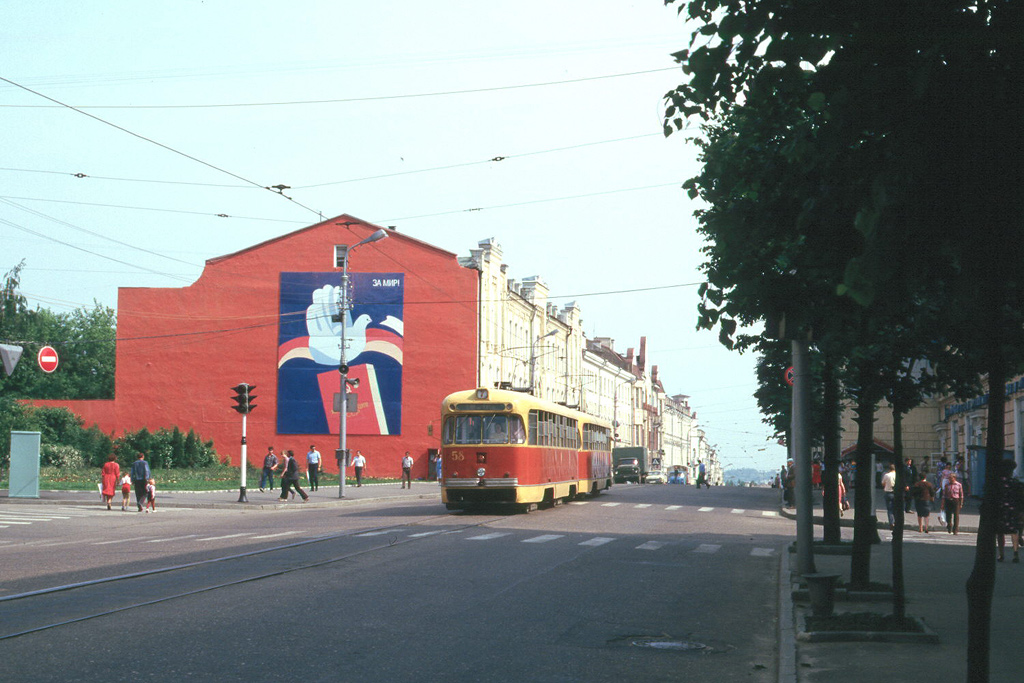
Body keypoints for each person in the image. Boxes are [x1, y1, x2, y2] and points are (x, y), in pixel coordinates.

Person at [996, 459, 1024, 562]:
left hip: (1001, 509)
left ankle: (1001, 554)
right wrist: (1021, 511)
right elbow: (1021, 498)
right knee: (1014, 531)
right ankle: (1015, 553)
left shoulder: (997, 483)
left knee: (1000, 532)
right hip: (1013, 509)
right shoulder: (1015, 482)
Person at [881, 463, 897, 529]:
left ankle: (891, 523)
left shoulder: (886, 475)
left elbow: (883, 483)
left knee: (890, 509)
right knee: (896, 509)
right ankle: (896, 522)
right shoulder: (897, 475)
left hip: (888, 493)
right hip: (895, 493)